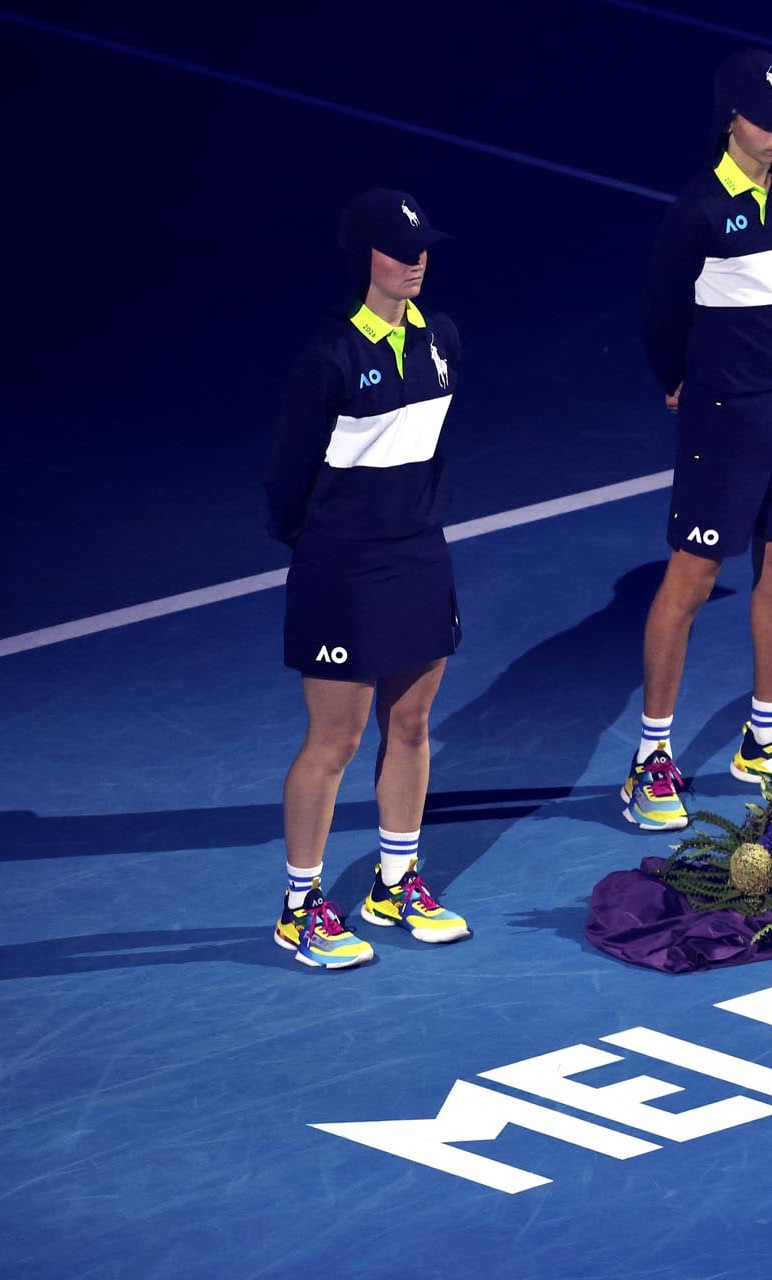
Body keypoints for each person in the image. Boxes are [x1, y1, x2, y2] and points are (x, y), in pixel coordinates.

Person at [263, 188, 472, 967]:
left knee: (412, 724)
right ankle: (300, 905)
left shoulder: (442, 337)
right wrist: (329, 547)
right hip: (342, 569)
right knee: (336, 739)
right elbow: (286, 486)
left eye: (422, 248)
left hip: (420, 555)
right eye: (398, 249)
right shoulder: (329, 359)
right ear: (365, 258)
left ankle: (395, 882)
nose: (415, 262)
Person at [626, 49, 772, 832]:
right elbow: (658, 312)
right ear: (732, 121)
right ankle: (650, 761)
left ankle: (766, 737)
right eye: (769, 119)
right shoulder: (699, 211)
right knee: (696, 574)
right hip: (725, 414)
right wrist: (677, 381)